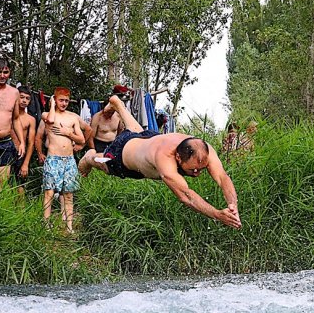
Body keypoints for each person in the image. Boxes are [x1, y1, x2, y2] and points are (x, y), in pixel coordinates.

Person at [78, 96, 241, 229]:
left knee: (138, 133)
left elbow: (222, 177)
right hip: (123, 154)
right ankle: (89, 158)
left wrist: (233, 206)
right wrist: (218, 215)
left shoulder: (203, 150)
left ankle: (118, 105)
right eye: (194, 170)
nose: (198, 173)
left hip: (149, 138)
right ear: (177, 158)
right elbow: (187, 197)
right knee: (104, 163)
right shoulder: (165, 159)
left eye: (202, 168)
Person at [41, 88, 85, 233]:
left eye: (66, 100)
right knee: (49, 192)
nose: (64, 103)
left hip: (69, 160)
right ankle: (46, 225)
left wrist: (68, 133)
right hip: (53, 158)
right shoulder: (46, 114)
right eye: (61, 100)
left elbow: (82, 139)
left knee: (68, 194)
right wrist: (52, 105)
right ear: (54, 99)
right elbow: (51, 120)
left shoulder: (72, 118)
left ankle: (69, 226)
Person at [11, 86, 37, 194]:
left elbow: (31, 143)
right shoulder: (8, 114)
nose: (24, 100)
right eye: (21, 97)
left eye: (27, 98)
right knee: (1, 181)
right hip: (5, 150)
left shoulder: (30, 119)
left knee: (20, 185)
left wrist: (26, 163)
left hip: (20, 154)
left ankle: (20, 210)